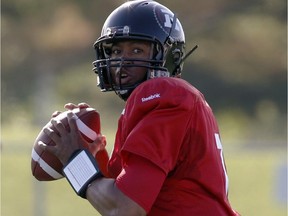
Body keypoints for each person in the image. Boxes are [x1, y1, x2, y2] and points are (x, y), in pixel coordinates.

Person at [39, 0, 240, 215]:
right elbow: (117, 195)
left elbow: (124, 208)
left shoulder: (165, 93)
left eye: (136, 50)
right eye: (116, 51)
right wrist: (92, 157)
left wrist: (76, 161)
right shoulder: (162, 101)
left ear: (170, 57)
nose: (122, 62)